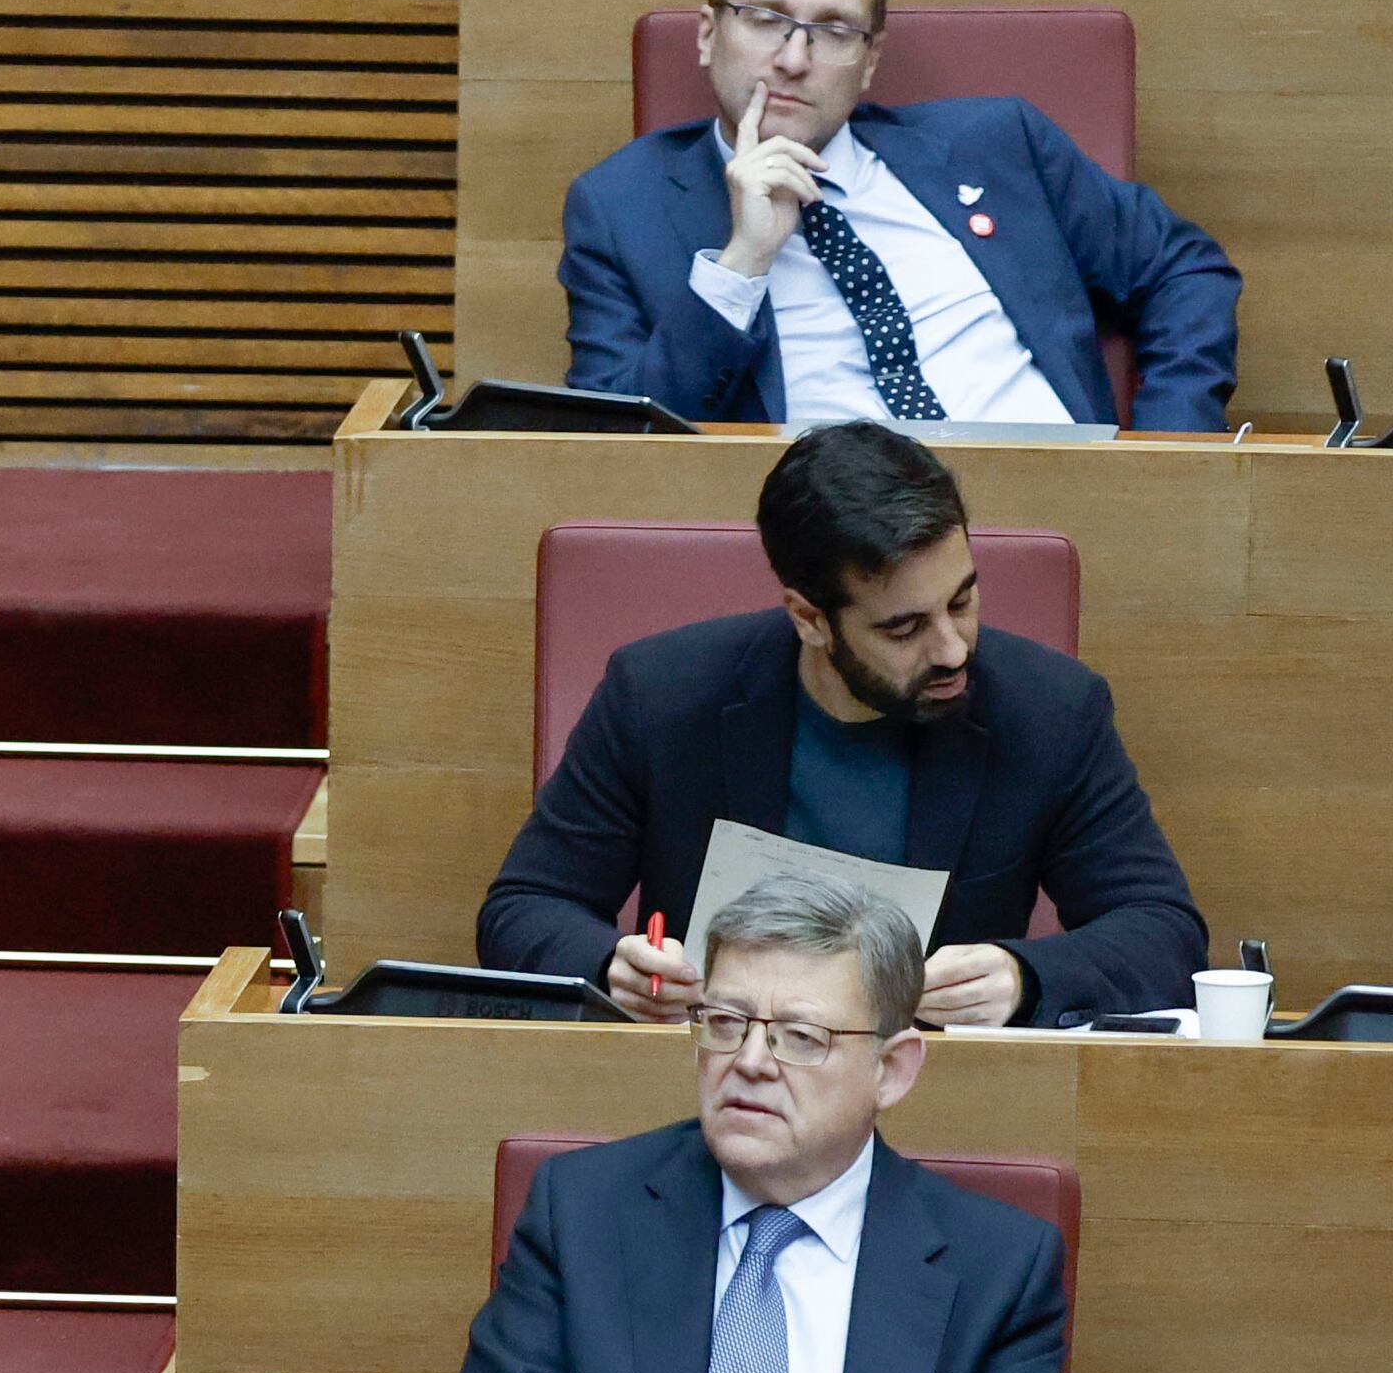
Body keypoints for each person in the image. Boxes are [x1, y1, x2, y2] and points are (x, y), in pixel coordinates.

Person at [421, 873, 1071, 1373]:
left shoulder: (996, 1266)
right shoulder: (583, 1213)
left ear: (893, 1069)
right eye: (725, 1023)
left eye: (801, 1036)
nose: (751, 1062)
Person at [479, 422, 1202, 1027]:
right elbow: (525, 907)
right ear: (810, 619)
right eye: (904, 628)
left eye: (963, 601)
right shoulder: (663, 694)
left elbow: (1163, 931)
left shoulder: (1050, 710)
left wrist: (1023, 976)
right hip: (711, 1078)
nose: (952, 648)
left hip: (929, 1094)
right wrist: (611, 965)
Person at [557, 0, 1236, 434]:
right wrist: (740, 266)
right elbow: (624, 444)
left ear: (871, 61)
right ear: (708, 35)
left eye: (833, 31)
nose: (794, 58)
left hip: (1061, 508)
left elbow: (1184, 268)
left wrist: (1168, 452)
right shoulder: (620, 209)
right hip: (842, 561)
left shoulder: (1000, 144)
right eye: (766, 18)